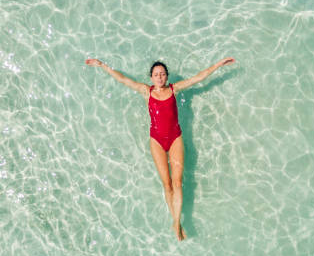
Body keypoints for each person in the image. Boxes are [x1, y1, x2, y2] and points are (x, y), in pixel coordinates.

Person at [85, 57, 235, 240]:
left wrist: (219, 65)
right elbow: (123, 79)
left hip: (175, 138)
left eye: (162, 74)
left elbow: (198, 78)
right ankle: (177, 223)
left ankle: (176, 222)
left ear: (166, 76)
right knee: (167, 184)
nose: (159, 77)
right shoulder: (146, 91)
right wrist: (102, 66)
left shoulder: (174, 89)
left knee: (177, 182)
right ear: (151, 77)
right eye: (156, 75)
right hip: (156, 140)